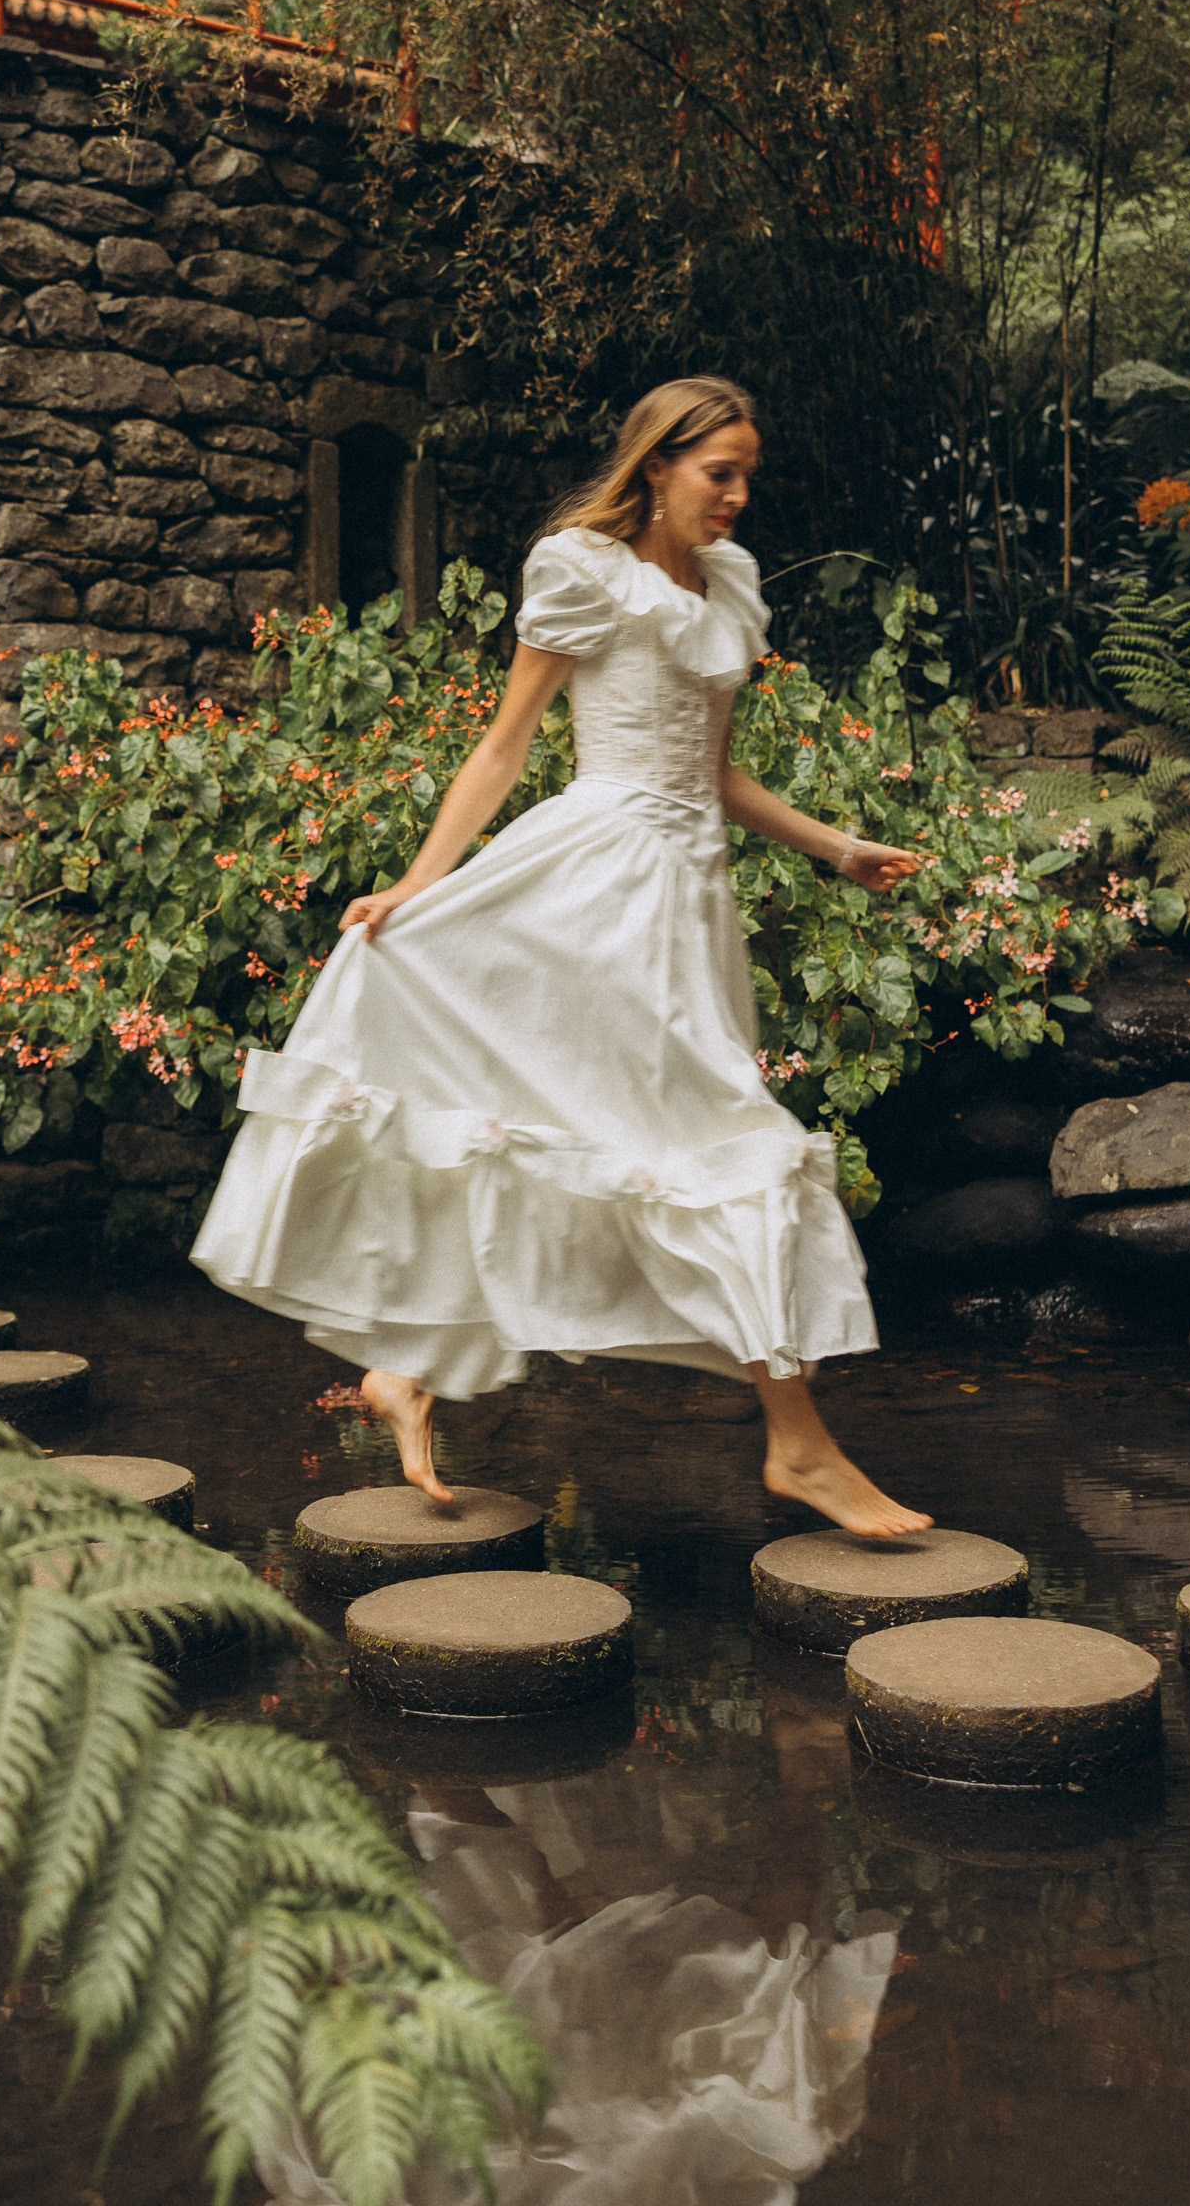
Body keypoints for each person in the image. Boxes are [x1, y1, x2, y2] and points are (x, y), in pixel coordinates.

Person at [192, 376, 931, 1538]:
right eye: (717, 472)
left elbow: (711, 774)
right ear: (654, 469)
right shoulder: (581, 571)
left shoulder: (725, 588)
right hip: (593, 891)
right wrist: (413, 886)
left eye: (747, 473)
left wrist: (838, 850)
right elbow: (502, 747)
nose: (738, 495)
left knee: (619, 1149)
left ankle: (410, 1369)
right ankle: (801, 1450)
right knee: (725, 1148)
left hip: (686, 905)